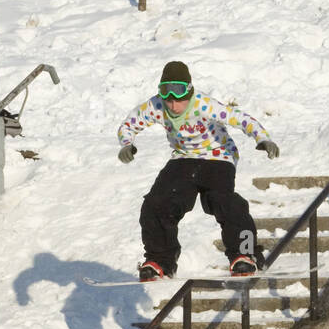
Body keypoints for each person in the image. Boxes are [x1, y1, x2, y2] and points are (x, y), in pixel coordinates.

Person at [117, 60, 280, 281]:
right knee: (157, 203)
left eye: (180, 99)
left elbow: (240, 119)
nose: (174, 107)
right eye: (169, 100)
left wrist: (262, 139)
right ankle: (160, 261)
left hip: (219, 156)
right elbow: (130, 124)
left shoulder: (204, 105)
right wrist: (127, 143)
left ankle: (245, 254)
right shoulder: (156, 106)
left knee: (223, 201)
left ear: (190, 90)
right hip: (184, 157)